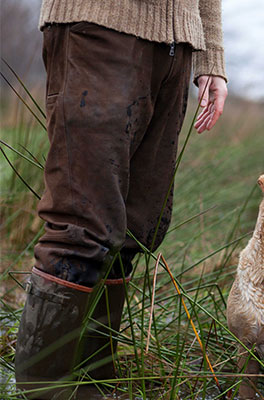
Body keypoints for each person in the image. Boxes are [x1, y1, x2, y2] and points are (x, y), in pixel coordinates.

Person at [14, 1, 228, 398]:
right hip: (101, 27)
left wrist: (209, 55)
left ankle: (94, 386)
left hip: (175, 45)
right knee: (81, 226)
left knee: (133, 230)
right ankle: (45, 391)